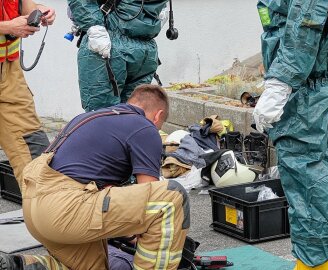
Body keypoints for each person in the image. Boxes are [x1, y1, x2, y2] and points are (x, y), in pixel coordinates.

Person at [0, 84, 190, 270]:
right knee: (171, 198)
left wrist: (127, 231)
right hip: (65, 207)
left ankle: (25, 265)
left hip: (35, 211)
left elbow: (104, 193)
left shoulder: (89, 118)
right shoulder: (145, 127)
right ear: (158, 116)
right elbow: (151, 200)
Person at [253, 0, 328, 269]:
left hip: (306, 99)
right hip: (326, 91)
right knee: (318, 191)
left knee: (310, 198)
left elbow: (306, 23)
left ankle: (314, 266)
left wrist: (280, 83)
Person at [67, 0, 170, 112]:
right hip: (111, 44)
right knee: (107, 114)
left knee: (129, 115)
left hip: (132, 48)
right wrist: (94, 27)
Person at [0, 0, 55, 187]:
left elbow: (26, 6)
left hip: (9, 75)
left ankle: (44, 210)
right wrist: (8, 26)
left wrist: (40, 11)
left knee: (35, 154)